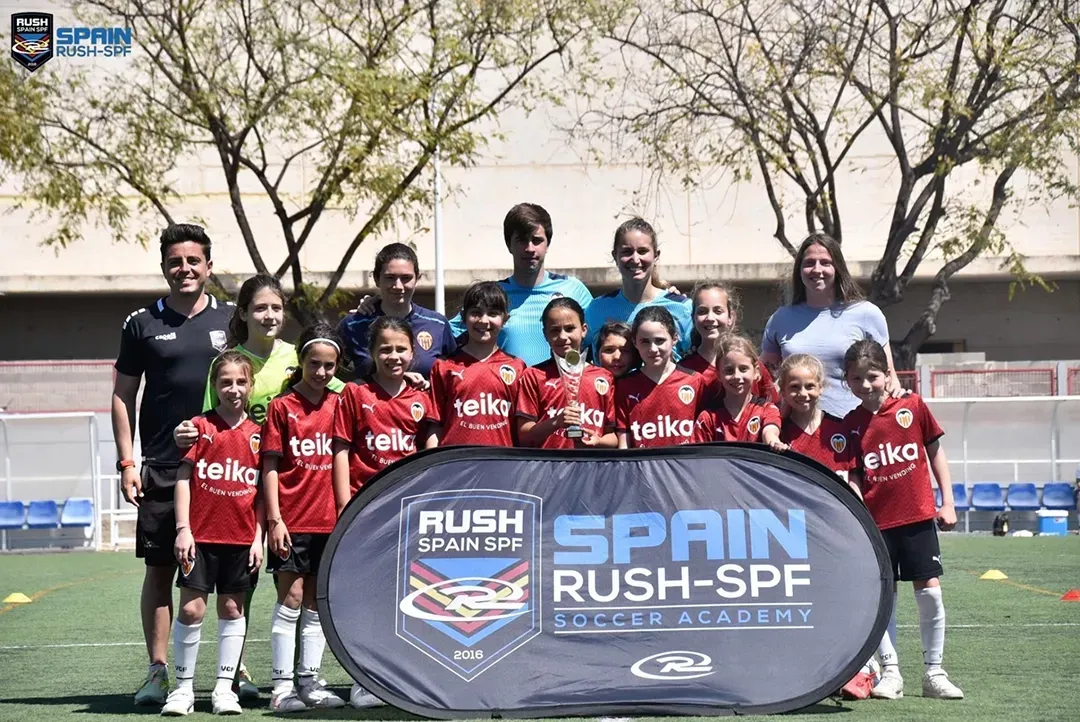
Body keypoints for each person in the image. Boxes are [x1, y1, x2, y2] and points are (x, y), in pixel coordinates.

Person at [172, 274, 345, 698]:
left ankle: (296, 678)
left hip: (293, 493)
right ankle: (236, 676)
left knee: (296, 594)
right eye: (261, 307)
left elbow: (340, 391)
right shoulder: (229, 362)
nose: (269, 315)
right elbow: (207, 428)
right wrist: (185, 436)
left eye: (276, 307)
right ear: (245, 313)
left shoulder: (299, 357)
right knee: (240, 594)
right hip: (244, 493)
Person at [111, 223, 234, 707]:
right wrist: (127, 462)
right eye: (175, 262)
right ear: (164, 267)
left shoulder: (231, 321)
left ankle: (232, 669)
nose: (184, 269)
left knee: (227, 574)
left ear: (208, 266)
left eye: (193, 261)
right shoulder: (140, 323)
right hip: (162, 466)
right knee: (161, 571)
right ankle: (158, 672)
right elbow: (123, 395)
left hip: (222, 469)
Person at [843, 340, 964, 701]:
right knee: (884, 599)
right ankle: (891, 672)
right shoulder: (850, 424)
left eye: (873, 377)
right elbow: (853, 475)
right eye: (856, 379)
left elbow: (935, 452)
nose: (865, 385)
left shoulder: (912, 406)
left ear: (887, 374)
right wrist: (858, 511)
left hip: (917, 518)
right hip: (876, 526)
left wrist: (948, 502)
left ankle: (935, 672)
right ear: (846, 381)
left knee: (929, 593)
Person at [331, 316, 439, 709]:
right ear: (372, 353)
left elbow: (430, 448)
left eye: (400, 349)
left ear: (413, 352)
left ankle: (403, 675)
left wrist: (428, 497)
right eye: (385, 349)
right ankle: (364, 678)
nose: (393, 356)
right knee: (367, 596)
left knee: (408, 595)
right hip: (366, 509)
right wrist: (345, 503)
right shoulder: (356, 394)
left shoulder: (420, 397)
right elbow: (341, 449)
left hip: (408, 511)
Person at [160, 351, 264, 716]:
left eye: (240, 382)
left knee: (233, 608)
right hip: (200, 538)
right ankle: (183, 689)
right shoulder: (200, 428)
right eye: (225, 382)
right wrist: (183, 529)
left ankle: (224, 689)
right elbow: (184, 480)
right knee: (191, 609)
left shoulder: (258, 435)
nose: (233, 389)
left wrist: (258, 537)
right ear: (214, 386)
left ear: (250, 387)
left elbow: (263, 493)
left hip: (241, 538)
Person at [261, 324, 348, 713]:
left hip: (330, 521)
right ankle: (281, 687)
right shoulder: (282, 407)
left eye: (330, 365)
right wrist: (275, 519)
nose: (322, 372)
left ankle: (310, 681)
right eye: (314, 363)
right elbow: (270, 466)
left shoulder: (340, 403)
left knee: (315, 602)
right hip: (292, 520)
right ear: (300, 361)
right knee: (291, 597)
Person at [761, 232, 904, 418]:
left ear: (837, 268)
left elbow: (888, 378)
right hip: (797, 433)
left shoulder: (867, 314)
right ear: (799, 269)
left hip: (855, 429)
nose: (817, 269)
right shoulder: (780, 318)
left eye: (825, 262)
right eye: (809, 263)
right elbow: (765, 380)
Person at [449, 203, 594, 367]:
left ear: (548, 244)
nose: (530, 248)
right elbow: (442, 333)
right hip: (508, 390)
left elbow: (605, 339)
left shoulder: (573, 289)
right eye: (522, 241)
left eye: (537, 240)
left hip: (561, 390)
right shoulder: (494, 295)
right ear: (509, 245)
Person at [338, 243, 456, 379]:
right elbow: (326, 375)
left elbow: (455, 375)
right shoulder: (353, 325)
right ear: (376, 279)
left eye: (406, 278)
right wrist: (353, 390)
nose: (398, 286)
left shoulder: (437, 325)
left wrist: (430, 389)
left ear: (417, 279)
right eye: (390, 278)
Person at [430, 282, 526, 447]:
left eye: (493, 313)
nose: (483, 320)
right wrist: (432, 469)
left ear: (505, 318)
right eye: (476, 313)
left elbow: (523, 430)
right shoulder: (444, 366)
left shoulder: (518, 367)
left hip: (503, 466)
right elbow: (434, 427)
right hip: (456, 466)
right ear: (463, 316)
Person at [585, 218, 693, 360]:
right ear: (615, 256)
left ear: (656, 256)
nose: (635, 259)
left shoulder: (682, 307)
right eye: (627, 251)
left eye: (642, 251)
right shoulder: (596, 309)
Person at [516, 298, 617, 449]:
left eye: (570, 329)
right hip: (548, 468)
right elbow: (523, 435)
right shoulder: (534, 375)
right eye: (555, 330)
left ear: (584, 330)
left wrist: (599, 441)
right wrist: (556, 422)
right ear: (545, 334)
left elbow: (614, 437)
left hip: (592, 468)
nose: (563, 337)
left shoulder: (603, 377)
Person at [615, 307, 706, 449]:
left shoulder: (695, 381)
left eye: (659, 340)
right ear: (634, 342)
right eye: (645, 341)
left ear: (675, 338)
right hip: (643, 470)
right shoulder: (625, 386)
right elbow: (624, 441)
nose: (653, 349)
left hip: (684, 469)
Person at [680, 282, 778, 405]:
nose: (710, 317)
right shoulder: (684, 370)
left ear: (731, 317)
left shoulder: (750, 364)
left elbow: (774, 406)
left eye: (718, 311)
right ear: (693, 318)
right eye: (702, 311)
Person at [692, 334, 785, 448]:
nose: (736, 376)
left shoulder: (767, 410)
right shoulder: (708, 418)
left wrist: (773, 441)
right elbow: (699, 457)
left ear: (756, 372)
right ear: (719, 375)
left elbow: (770, 431)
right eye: (729, 370)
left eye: (743, 369)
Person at [776, 354, 855, 481]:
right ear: (783, 391)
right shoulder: (779, 435)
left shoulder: (841, 428)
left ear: (821, 387)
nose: (802, 393)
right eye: (794, 387)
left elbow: (853, 476)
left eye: (809, 386)